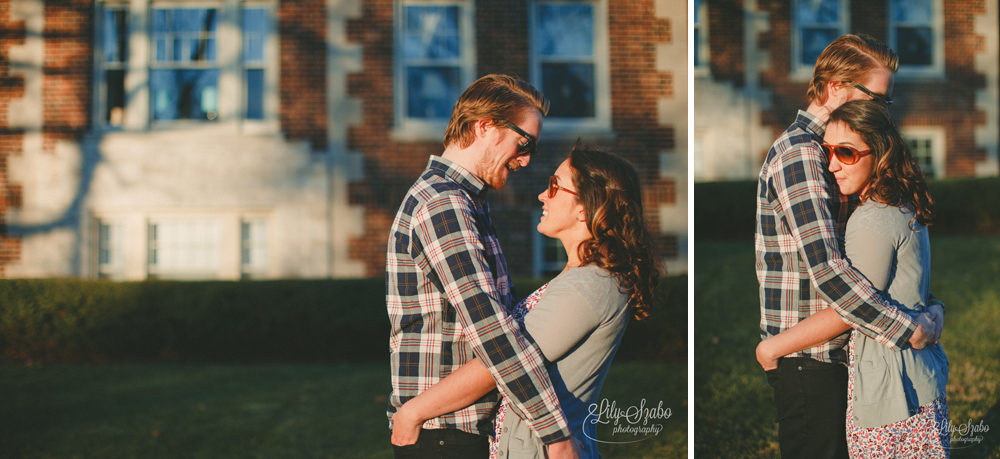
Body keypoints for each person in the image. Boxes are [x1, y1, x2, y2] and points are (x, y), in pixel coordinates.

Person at [389, 145, 659, 459]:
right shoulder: (583, 278)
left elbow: (503, 361)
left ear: (585, 207)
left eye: (555, 186)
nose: (544, 195)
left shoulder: (590, 285)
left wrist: (413, 411)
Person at [753, 34, 944, 459]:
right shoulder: (801, 155)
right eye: (876, 97)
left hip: (843, 349)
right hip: (809, 357)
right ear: (836, 88)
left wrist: (928, 304)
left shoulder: (839, 146)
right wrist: (907, 326)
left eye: (885, 103)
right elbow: (829, 270)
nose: (882, 110)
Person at [384, 74, 578, 459]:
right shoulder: (444, 205)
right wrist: (556, 435)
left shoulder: (462, 201)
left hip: (449, 432)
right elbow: (492, 331)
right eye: (524, 145)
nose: (525, 160)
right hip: (448, 436)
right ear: (485, 126)